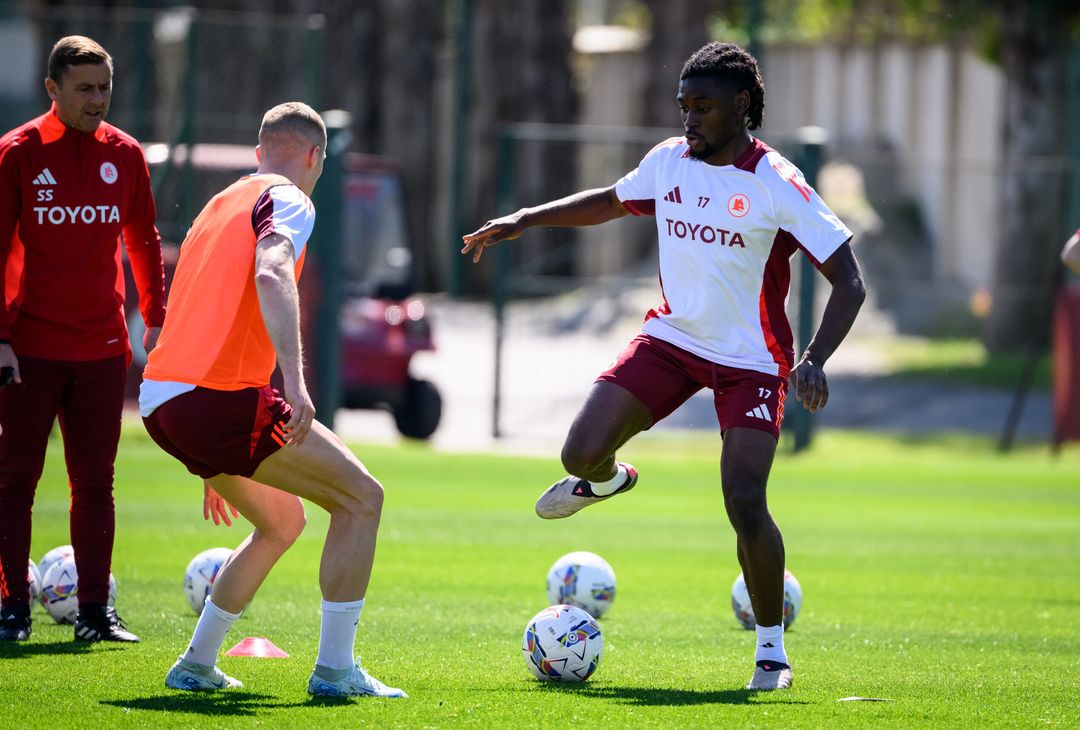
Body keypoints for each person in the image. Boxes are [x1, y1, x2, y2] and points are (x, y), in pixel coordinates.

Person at [462, 41, 865, 691]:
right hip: (673, 341)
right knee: (578, 454)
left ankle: (771, 653)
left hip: (752, 363)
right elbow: (609, 201)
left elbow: (849, 280)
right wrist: (524, 220)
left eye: (703, 107)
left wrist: (814, 359)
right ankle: (607, 481)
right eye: (684, 107)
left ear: (742, 105)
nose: (689, 119)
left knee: (745, 499)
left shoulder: (777, 182)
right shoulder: (669, 161)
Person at [139, 102, 405, 698]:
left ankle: (195, 665)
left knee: (282, 522)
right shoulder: (290, 198)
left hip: (165, 401)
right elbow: (271, 271)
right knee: (362, 498)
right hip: (215, 399)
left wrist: (211, 447)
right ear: (315, 157)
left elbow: (196, 303)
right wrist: (295, 380)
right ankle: (335, 671)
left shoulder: (219, 204)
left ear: (259, 152)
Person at [0, 36, 166, 644]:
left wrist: (156, 317)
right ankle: (11, 610)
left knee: (96, 483)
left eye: (105, 88)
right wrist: (0, 338)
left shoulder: (124, 154)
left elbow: (143, 239)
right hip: (29, 351)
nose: (97, 99)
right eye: (84, 89)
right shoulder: (17, 153)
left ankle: (96, 614)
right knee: (14, 481)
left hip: (101, 349)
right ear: (53, 89)